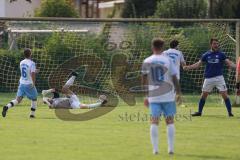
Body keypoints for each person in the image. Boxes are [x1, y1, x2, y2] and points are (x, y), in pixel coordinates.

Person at [142, 38, 181, 155]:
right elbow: (174, 77)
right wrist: (178, 93)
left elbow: (144, 80)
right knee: (170, 121)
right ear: (162, 47)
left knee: (154, 122)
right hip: (168, 96)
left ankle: (155, 149)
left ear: (152, 47)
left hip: (154, 96)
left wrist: (145, 96)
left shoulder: (147, 60)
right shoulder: (168, 60)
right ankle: (171, 149)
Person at [184, 38, 235, 117]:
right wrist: (188, 67)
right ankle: (199, 112)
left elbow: (229, 63)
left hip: (219, 78)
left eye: (217, 44)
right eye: (214, 44)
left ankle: (230, 113)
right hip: (208, 78)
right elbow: (198, 64)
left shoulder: (221, 54)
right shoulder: (206, 54)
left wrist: (237, 67)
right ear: (211, 44)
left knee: (224, 95)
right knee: (203, 95)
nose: (216, 45)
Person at [2, 48, 38, 118]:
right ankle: (32, 114)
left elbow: (26, 71)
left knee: (18, 99)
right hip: (29, 84)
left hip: (22, 83)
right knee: (34, 98)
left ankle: (7, 107)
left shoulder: (21, 62)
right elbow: (32, 74)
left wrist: (34, 70)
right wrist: (33, 83)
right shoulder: (32, 63)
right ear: (30, 54)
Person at [42, 72, 107, 109]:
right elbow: (44, 99)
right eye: (48, 99)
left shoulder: (55, 98)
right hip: (72, 104)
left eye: (49, 98)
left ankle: (74, 76)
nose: (49, 98)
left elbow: (54, 90)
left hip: (71, 99)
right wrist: (49, 104)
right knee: (83, 106)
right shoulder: (54, 104)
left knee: (64, 89)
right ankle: (100, 103)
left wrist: (47, 91)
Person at [163, 39, 186, 105]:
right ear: (176, 46)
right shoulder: (179, 53)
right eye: (178, 45)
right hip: (175, 74)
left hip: (166, 73)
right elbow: (183, 64)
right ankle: (178, 102)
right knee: (176, 89)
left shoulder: (164, 52)